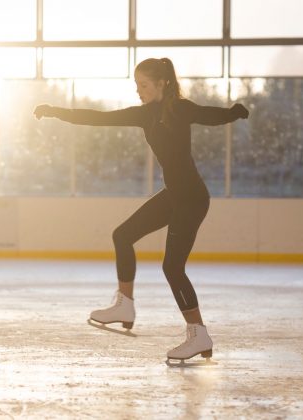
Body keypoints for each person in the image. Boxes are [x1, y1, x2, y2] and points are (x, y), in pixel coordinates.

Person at [33, 57, 249, 363]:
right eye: (136, 85)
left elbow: (208, 115)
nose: (139, 91)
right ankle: (125, 304)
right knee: (123, 235)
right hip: (174, 195)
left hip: (191, 198)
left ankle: (198, 333)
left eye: (144, 85)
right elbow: (97, 118)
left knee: (172, 268)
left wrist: (233, 114)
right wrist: (56, 112)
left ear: (162, 83)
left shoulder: (180, 108)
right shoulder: (144, 114)